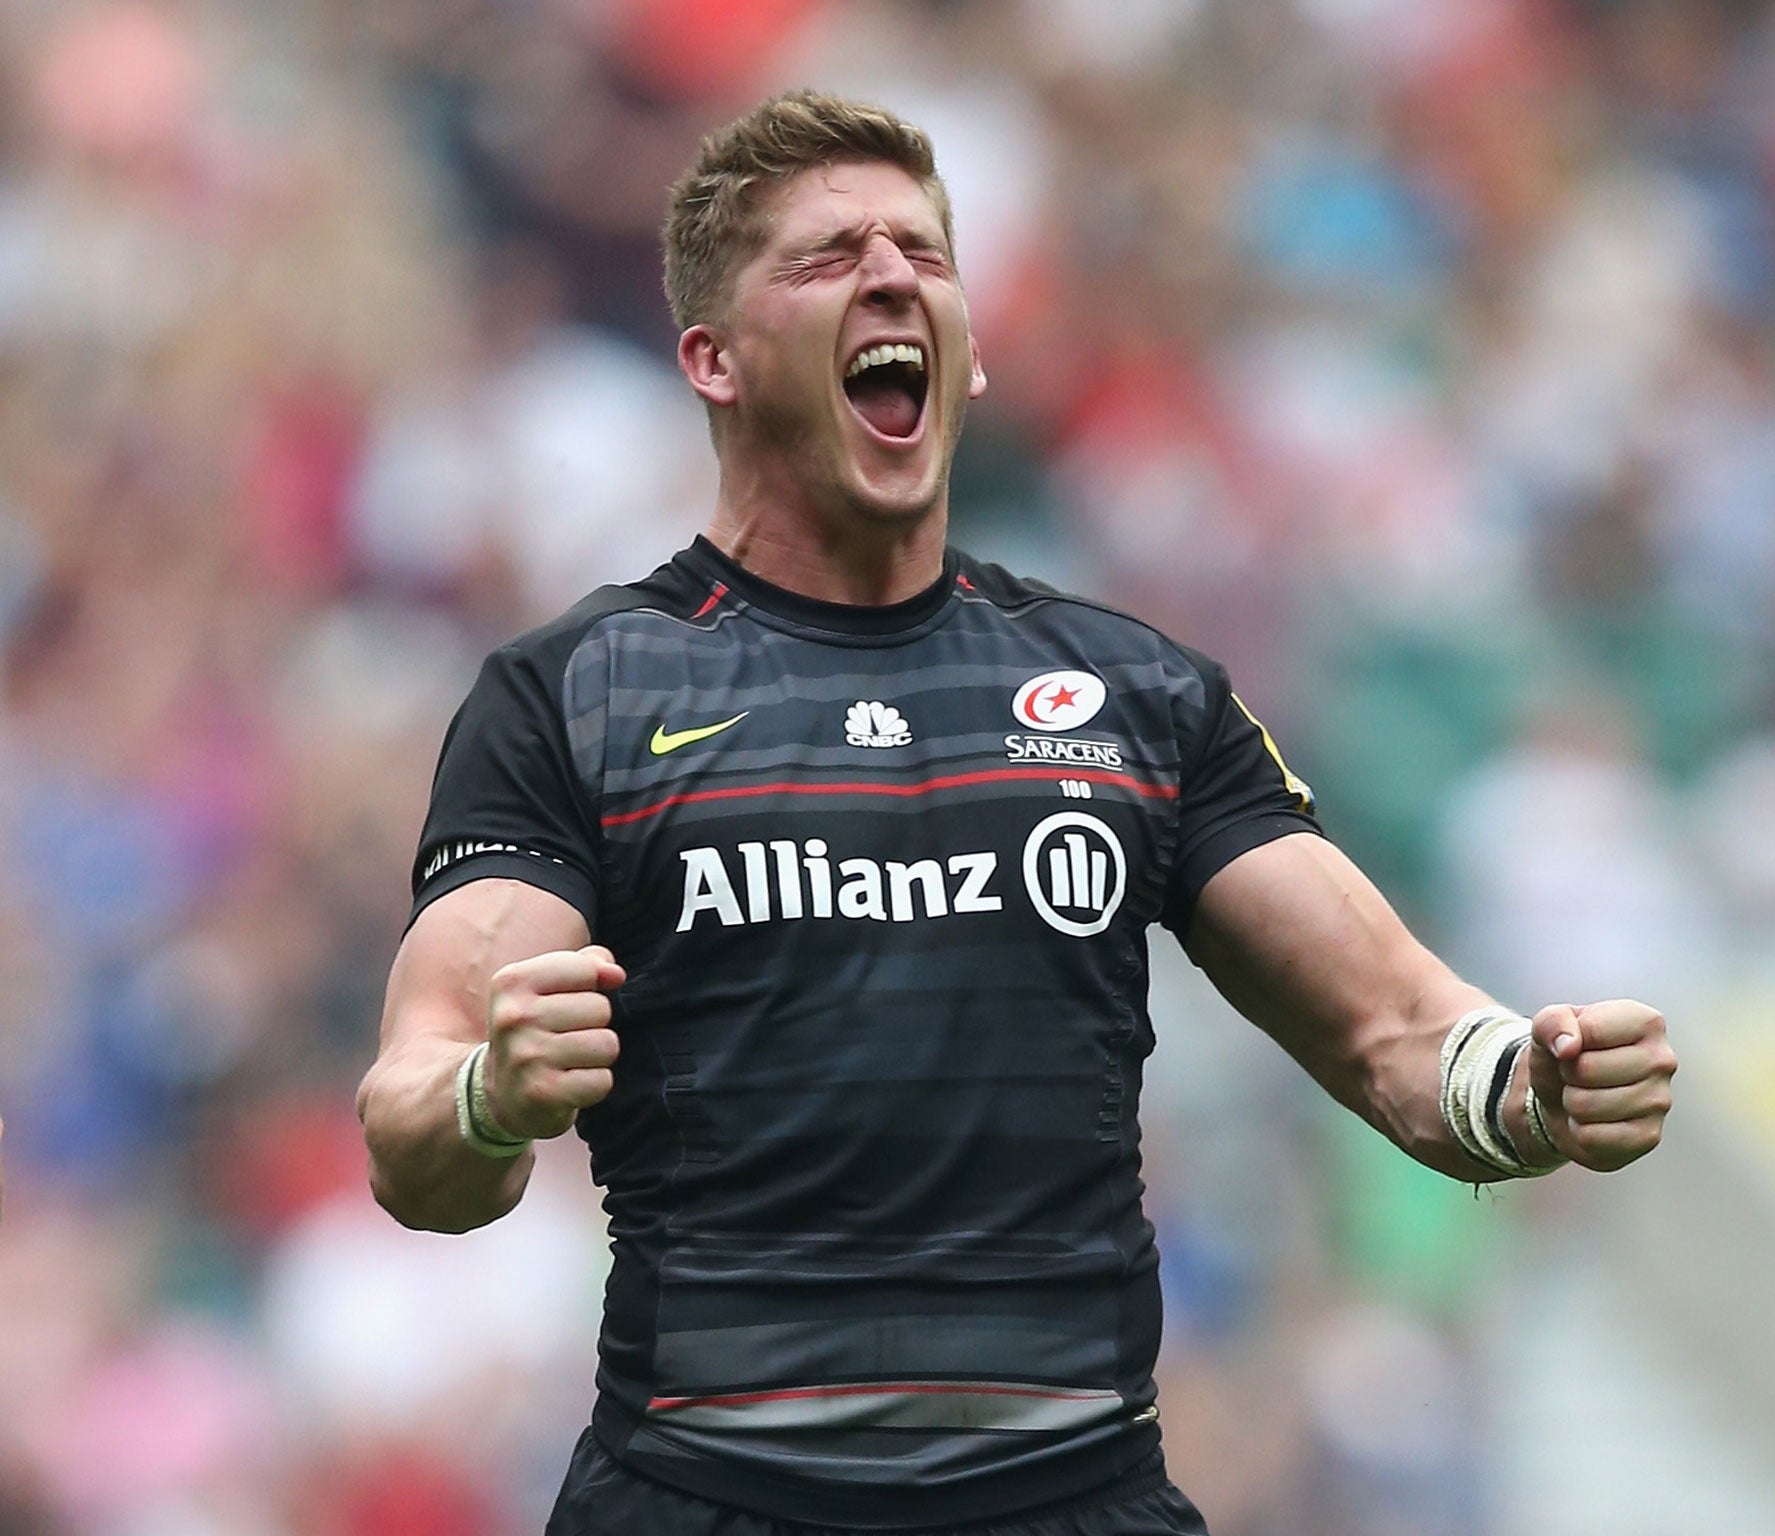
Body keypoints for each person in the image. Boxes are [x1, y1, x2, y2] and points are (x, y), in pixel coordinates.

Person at [357, 90, 1677, 1536]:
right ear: (711, 361)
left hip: (1069, 1501)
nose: (891, 277)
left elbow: (1400, 1032)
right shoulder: (577, 698)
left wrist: (1526, 1085)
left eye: (924, 253)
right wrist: (487, 1095)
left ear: (970, 356)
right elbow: (416, 1129)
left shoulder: (1132, 692)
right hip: (711, 1499)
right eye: (826, 257)